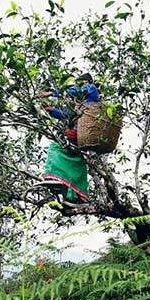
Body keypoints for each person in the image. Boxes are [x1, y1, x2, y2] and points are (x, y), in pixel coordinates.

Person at [36, 73, 99, 207]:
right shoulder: (80, 105)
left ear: (87, 82)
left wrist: (51, 93)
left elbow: (74, 92)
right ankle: (74, 196)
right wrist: (51, 110)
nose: (78, 85)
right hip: (79, 135)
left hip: (85, 132)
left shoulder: (91, 89)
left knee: (56, 148)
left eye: (80, 83)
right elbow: (67, 114)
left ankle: (55, 177)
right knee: (77, 160)